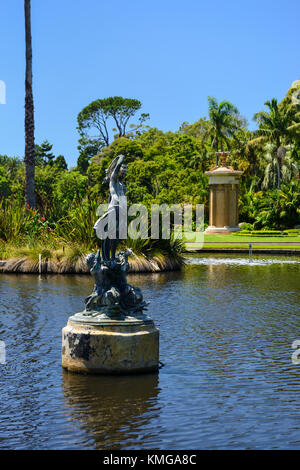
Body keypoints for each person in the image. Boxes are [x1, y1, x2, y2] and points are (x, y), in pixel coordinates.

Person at [94, 155, 128, 262]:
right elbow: (117, 165)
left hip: (121, 210)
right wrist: (121, 157)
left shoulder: (123, 185)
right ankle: (105, 258)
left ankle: (112, 257)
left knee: (116, 236)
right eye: (123, 168)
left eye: (126, 169)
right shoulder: (113, 180)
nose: (125, 171)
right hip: (114, 207)